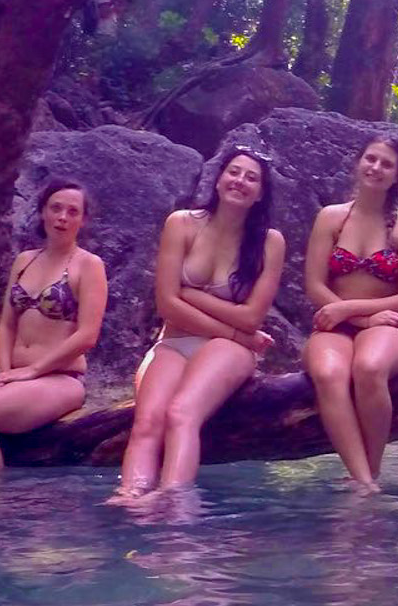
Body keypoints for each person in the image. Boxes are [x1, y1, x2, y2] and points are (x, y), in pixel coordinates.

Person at [113, 150, 286, 498]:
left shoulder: (270, 242)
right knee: (147, 424)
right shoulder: (182, 223)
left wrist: (189, 295)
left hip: (229, 350)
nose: (240, 181)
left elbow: (253, 317)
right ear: (219, 177)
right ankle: (130, 500)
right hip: (177, 342)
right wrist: (237, 330)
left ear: (261, 193)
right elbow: (166, 306)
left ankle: (174, 506)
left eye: (251, 178)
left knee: (181, 413)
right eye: (233, 172)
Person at [0, 181, 107, 470]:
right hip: (17, 375)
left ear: (83, 220)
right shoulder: (24, 261)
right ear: (42, 212)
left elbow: (87, 336)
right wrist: (5, 373)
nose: (62, 217)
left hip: (60, 379)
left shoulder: (89, 265)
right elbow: (6, 324)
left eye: (72, 211)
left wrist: (34, 371)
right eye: (55, 208)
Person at [302, 136, 398, 493]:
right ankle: (363, 481)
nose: (376, 168)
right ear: (358, 163)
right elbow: (314, 286)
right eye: (370, 159)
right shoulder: (331, 218)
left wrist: (353, 310)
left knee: (370, 368)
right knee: (328, 373)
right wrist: (358, 319)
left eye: (386, 164)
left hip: (390, 324)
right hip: (336, 325)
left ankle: (371, 471)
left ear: (397, 176)